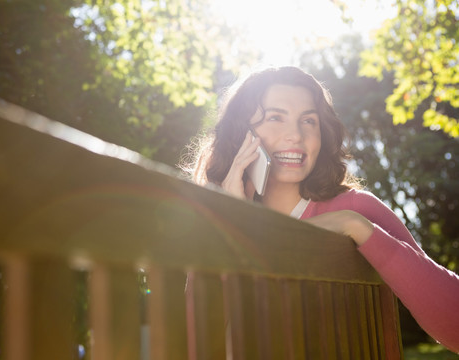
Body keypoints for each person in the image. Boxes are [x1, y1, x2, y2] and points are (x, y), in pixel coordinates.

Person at [185, 66, 459, 352]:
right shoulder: (217, 222)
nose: (295, 135)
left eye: (308, 121)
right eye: (275, 117)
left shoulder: (356, 208)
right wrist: (232, 220)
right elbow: (195, 344)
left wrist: (355, 225)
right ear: (242, 134)